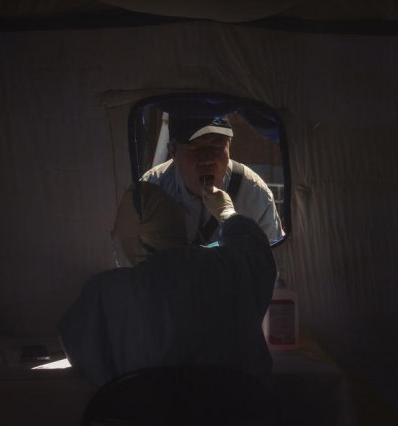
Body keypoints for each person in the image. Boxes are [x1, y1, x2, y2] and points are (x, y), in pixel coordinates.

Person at [57, 181, 276, 388]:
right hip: (235, 410)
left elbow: (79, 352)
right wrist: (227, 213)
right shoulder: (228, 268)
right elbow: (256, 249)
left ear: (135, 239)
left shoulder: (105, 293)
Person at [141, 115, 284, 245]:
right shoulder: (151, 189)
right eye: (194, 148)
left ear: (229, 145)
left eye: (216, 146)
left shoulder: (254, 194)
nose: (206, 159)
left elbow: (272, 259)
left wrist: (228, 216)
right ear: (173, 151)